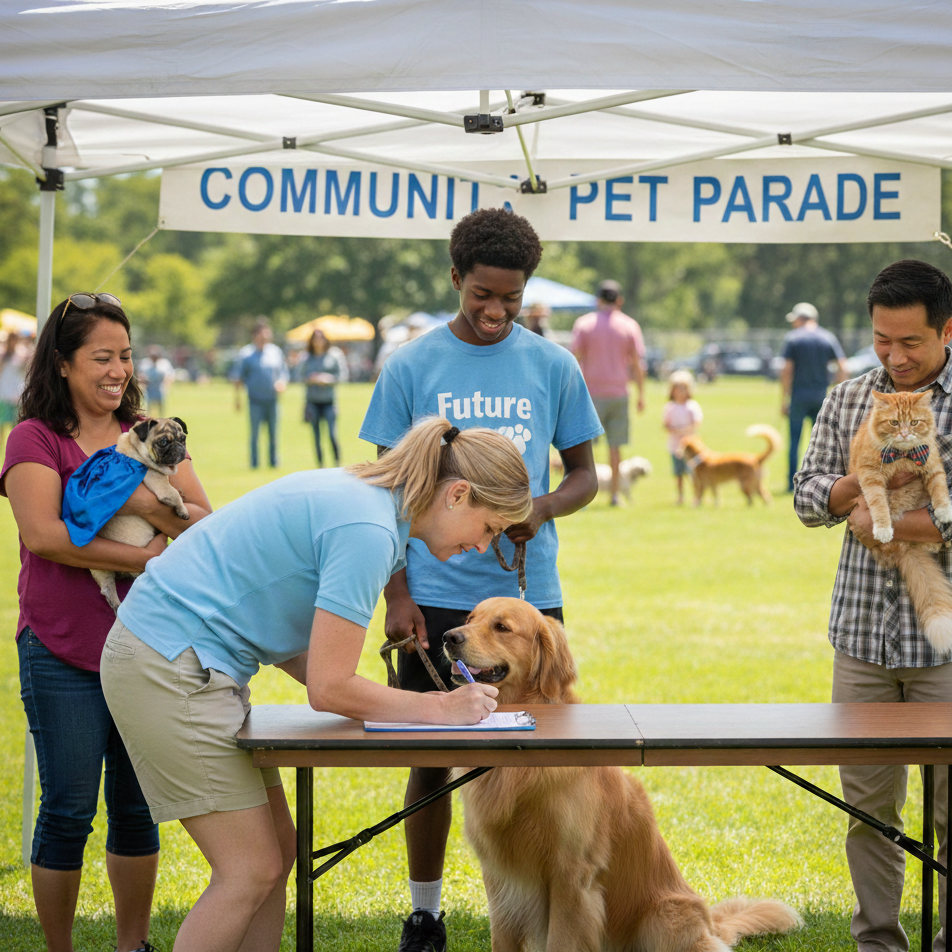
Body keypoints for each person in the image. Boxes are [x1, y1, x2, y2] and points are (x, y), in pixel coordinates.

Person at [99, 417, 533, 952]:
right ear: (458, 494)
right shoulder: (369, 531)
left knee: (278, 854)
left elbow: (304, 652)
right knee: (249, 870)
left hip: (178, 659)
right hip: (166, 663)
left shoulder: (374, 509)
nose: (482, 545)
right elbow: (329, 689)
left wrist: (381, 697)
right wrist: (440, 707)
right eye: (489, 528)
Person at [359, 207, 602, 952]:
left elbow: (588, 475)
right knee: (432, 757)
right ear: (456, 279)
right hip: (431, 591)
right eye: (482, 295)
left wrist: (542, 508)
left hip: (526, 599)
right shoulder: (410, 365)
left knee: (541, 755)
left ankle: (542, 903)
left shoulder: (552, 364)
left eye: (512, 298)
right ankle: (426, 914)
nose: (497, 311)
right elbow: (382, 487)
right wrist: (398, 593)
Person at [0, 293, 212, 952]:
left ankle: (132, 945)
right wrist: (145, 557)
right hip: (61, 648)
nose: (118, 369)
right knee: (66, 810)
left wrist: (149, 503)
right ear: (62, 363)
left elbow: (208, 525)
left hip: (146, 649)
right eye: (102, 357)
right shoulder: (33, 437)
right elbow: (45, 536)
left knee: (137, 808)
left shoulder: (150, 431)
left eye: (124, 355)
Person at [794, 259, 952, 952]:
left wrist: (907, 523)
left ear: (948, 329)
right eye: (883, 340)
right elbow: (804, 494)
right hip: (860, 638)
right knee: (868, 811)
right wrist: (852, 495)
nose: (894, 356)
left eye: (911, 342)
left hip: (943, 646)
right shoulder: (850, 395)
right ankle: (878, 943)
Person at [571, 279, 646, 506]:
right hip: (619, 393)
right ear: (619, 301)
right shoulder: (629, 325)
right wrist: (641, 394)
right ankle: (614, 494)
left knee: (586, 449)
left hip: (590, 394)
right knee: (615, 447)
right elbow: (637, 363)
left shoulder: (584, 324)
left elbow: (574, 358)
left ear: (598, 300)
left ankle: (584, 496)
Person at [780, 301, 848, 492]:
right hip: (821, 397)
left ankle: (791, 484)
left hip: (798, 396)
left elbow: (786, 370)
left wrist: (784, 399)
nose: (793, 324)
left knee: (794, 440)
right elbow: (843, 367)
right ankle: (817, 482)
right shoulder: (827, 338)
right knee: (820, 443)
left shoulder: (793, 338)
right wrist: (837, 394)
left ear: (801, 318)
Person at [230, 317, 288, 468]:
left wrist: (282, 383)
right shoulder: (246, 354)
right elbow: (238, 377)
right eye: (262, 334)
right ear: (255, 335)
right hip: (255, 400)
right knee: (255, 435)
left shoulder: (276, 352)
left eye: (267, 334)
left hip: (272, 400)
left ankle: (274, 462)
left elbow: (283, 373)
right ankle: (254, 463)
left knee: (273, 433)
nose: (265, 337)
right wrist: (237, 399)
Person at [302, 327, 347, 466]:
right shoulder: (307, 357)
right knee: (316, 436)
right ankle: (320, 465)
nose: (318, 341)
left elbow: (342, 376)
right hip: (312, 401)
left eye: (321, 338)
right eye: (315, 338)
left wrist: (328, 379)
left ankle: (337, 463)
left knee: (332, 435)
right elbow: (299, 375)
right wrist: (312, 378)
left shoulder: (334, 355)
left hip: (329, 401)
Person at [662, 369, 703, 505]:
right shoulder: (670, 407)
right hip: (675, 447)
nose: (680, 392)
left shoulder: (691, 406)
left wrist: (683, 430)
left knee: (693, 473)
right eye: (677, 389)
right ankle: (680, 497)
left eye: (683, 389)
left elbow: (696, 423)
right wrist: (675, 430)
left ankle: (696, 496)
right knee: (678, 473)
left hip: (691, 448)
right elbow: (665, 425)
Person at [0, 330, 31, 448]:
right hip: (4, 395)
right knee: (2, 424)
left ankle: (15, 446)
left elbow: (27, 365)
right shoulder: (3, 355)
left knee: (17, 425)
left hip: (17, 396)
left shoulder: (20, 354)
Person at [137, 345, 176, 417]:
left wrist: (167, 385)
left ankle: (161, 421)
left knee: (161, 408)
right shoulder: (144, 363)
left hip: (160, 389)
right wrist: (142, 384)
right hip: (148, 389)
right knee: (146, 408)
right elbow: (140, 375)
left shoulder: (164, 363)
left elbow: (170, 375)